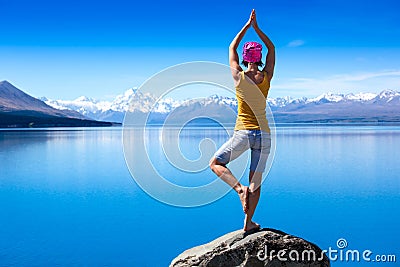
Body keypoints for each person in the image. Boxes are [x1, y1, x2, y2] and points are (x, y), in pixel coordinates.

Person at [209, 9, 275, 232]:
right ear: (260, 57)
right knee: (256, 181)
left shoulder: (238, 76)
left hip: (243, 133)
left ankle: (239, 190)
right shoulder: (266, 76)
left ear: (246, 58)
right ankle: (248, 224)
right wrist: (258, 29)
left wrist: (247, 26)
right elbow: (273, 48)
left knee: (215, 163)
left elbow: (231, 48)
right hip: (264, 135)